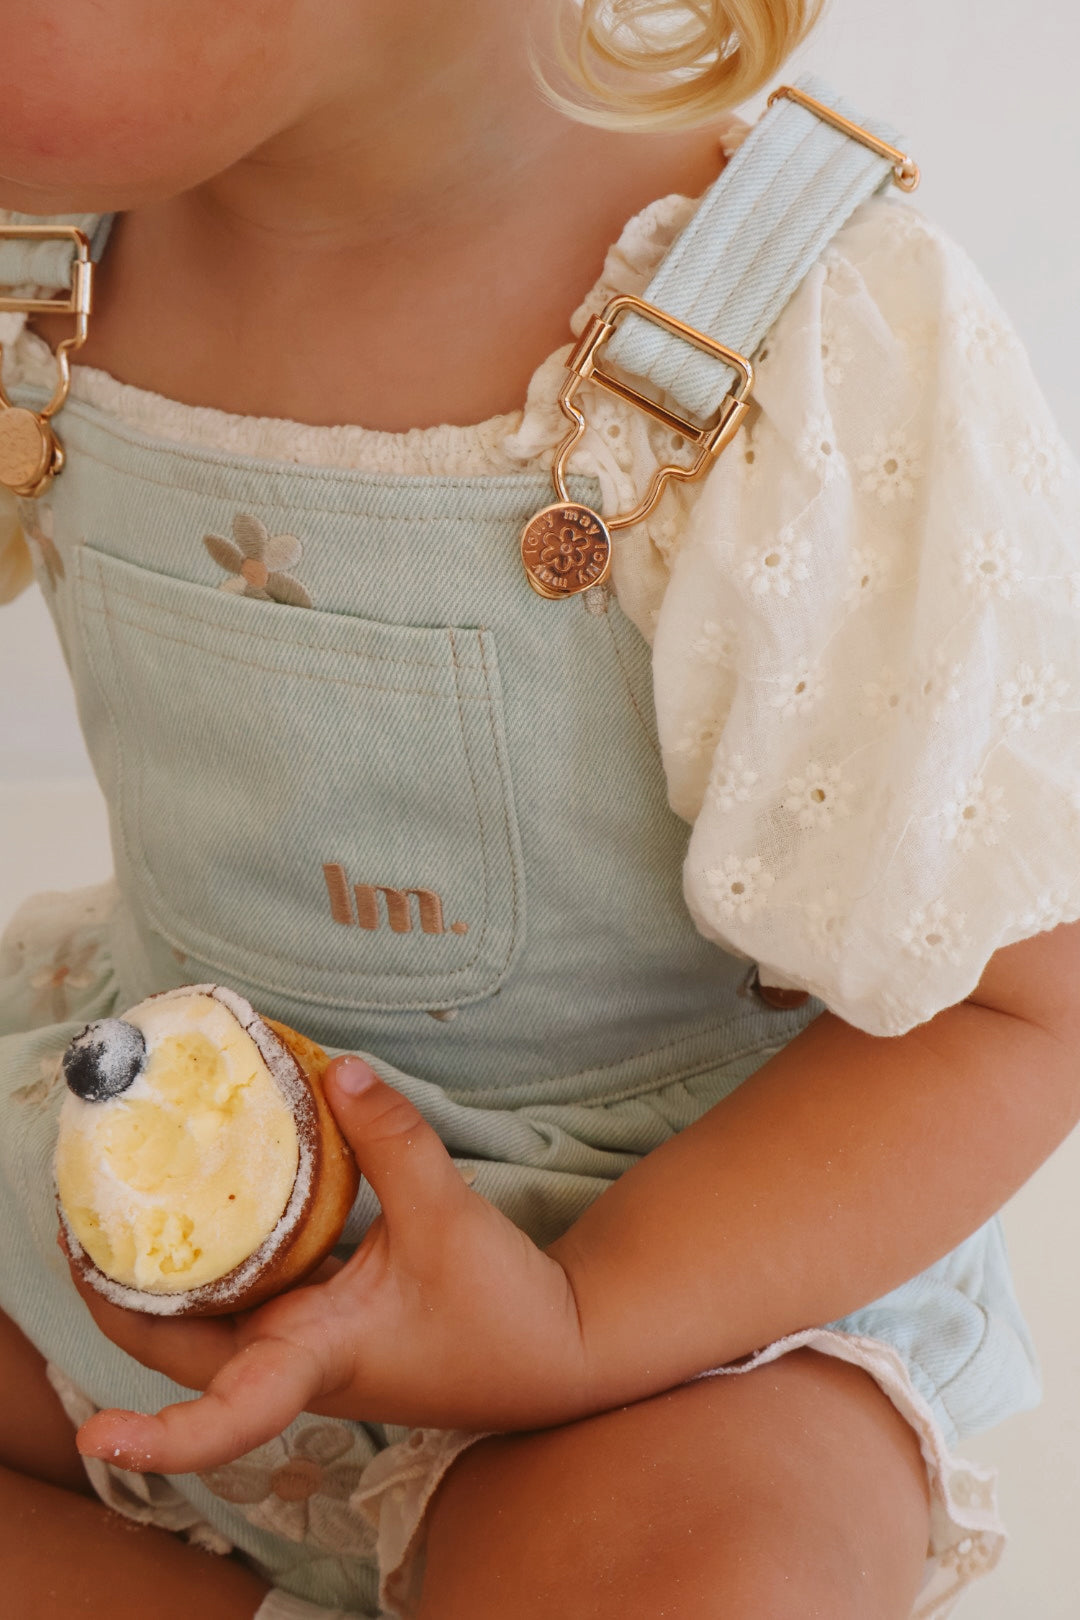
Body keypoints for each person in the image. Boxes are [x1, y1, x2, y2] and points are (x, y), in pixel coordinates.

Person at [1, 2, 1078, 1617]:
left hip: (660, 1297)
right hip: (147, 1212)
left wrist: (578, 1320)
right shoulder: (48, 248)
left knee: (698, 1577)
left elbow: (1014, 1005)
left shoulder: (791, 337)